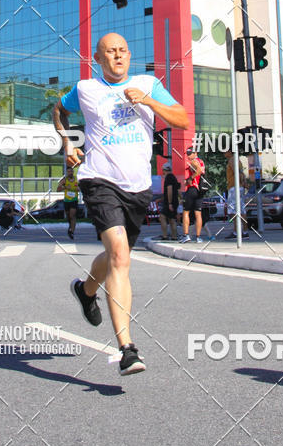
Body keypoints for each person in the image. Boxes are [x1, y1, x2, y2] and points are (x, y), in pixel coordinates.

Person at [53, 33, 189, 376]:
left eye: (123, 51)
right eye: (110, 52)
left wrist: (148, 102)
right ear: (98, 59)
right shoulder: (85, 89)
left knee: (118, 253)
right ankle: (127, 348)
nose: (118, 56)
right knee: (119, 255)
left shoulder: (147, 83)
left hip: (138, 186)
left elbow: (182, 119)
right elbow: (58, 110)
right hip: (98, 179)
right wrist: (69, 143)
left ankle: (86, 291)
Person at [181, 150, 207, 243]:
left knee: (185, 212)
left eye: (190, 153)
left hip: (193, 188)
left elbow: (199, 170)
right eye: (187, 154)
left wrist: (189, 178)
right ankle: (198, 237)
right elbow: (202, 170)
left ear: (195, 153)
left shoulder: (193, 161)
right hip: (200, 190)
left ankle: (186, 235)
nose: (188, 156)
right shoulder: (201, 161)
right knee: (198, 213)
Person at [159, 162, 180, 241]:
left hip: (170, 202)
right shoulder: (173, 177)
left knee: (162, 217)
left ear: (164, 170)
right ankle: (174, 236)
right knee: (171, 219)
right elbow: (178, 190)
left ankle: (165, 236)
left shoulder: (169, 177)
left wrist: (170, 203)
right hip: (174, 201)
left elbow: (169, 190)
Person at [57, 165, 79, 239]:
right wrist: (65, 187)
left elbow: (82, 187)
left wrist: (78, 188)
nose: (70, 173)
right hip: (67, 201)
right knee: (68, 216)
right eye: (69, 172)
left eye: (71, 171)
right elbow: (58, 189)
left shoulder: (77, 179)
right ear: (66, 173)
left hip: (74, 200)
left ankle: (72, 231)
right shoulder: (64, 180)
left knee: (72, 215)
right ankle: (70, 226)